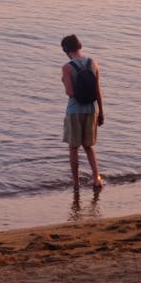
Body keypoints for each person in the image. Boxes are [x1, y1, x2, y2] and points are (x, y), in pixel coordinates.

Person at [61, 34, 104, 190]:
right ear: (79, 46)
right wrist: (101, 112)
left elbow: (70, 92)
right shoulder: (93, 63)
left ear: (66, 50)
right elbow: (98, 90)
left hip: (74, 111)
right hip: (91, 109)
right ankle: (97, 178)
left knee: (73, 148)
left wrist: (63, 79)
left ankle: (76, 183)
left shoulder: (67, 67)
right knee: (88, 146)